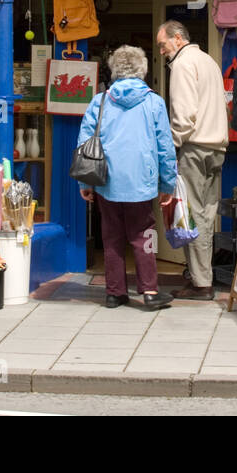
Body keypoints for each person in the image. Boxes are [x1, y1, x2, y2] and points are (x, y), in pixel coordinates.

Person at [76, 46, 176, 310]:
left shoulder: (100, 101)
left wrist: (85, 182)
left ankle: (114, 293)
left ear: (114, 69)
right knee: (144, 235)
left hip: (107, 179)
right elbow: (165, 146)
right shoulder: (153, 101)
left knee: (111, 236)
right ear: (142, 69)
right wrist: (168, 183)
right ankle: (150, 292)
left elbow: (85, 141)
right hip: (142, 181)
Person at [155, 20, 227, 301]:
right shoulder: (209, 61)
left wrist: (169, 147)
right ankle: (201, 277)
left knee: (191, 215)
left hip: (194, 148)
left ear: (177, 38)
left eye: (163, 45)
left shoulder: (183, 64)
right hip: (217, 148)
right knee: (206, 215)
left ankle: (201, 283)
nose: (161, 51)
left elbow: (183, 117)